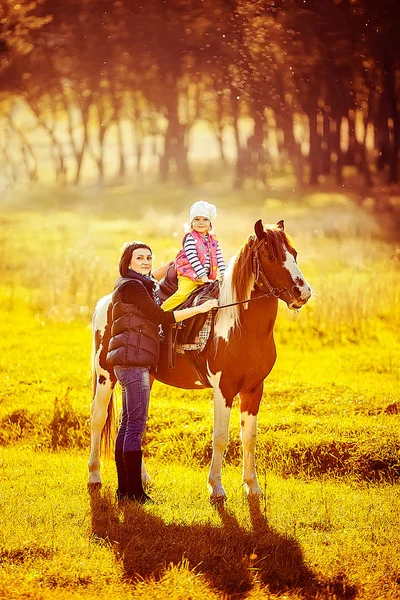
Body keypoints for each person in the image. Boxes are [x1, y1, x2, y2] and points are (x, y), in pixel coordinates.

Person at [106, 241, 218, 504]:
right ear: (128, 262)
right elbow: (162, 317)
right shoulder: (132, 287)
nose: (145, 262)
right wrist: (201, 309)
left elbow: (156, 287)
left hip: (130, 359)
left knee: (126, 425)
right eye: (139, 258)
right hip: (133, 361)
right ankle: (134, 494)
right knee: (135, 426)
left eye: (148, 257)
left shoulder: (136, 284)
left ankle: (125, 491)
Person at [161, 201, 226, 311]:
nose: (201, 223)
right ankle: (159, 312)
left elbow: (219, 257)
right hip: (190, 275)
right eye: (197, 219)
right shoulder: (190, 238)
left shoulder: (213, 239)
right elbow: (193, 258)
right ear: (191, 222)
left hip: (207, 277)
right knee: (182, 295)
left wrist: (224, 274)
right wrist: (203, 276)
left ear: (210, 222)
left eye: (205, 219)